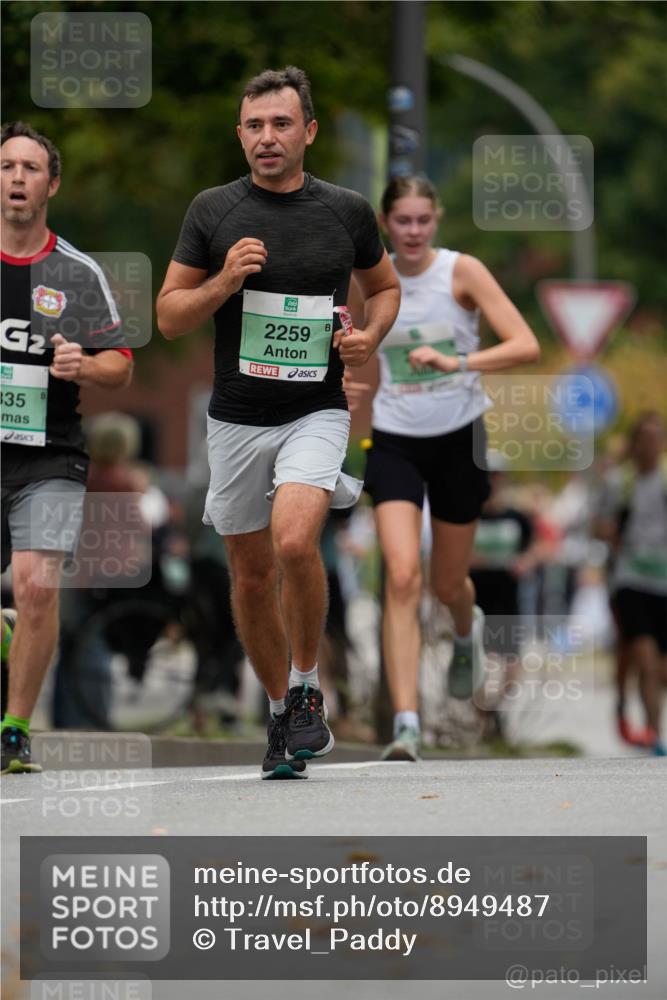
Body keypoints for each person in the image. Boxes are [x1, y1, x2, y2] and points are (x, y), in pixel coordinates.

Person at [156, 67, 399, 779]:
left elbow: (382, 289)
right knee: (250, 573)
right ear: (240, 134)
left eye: (281, 124)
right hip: (234, 420)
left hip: (316, 409)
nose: (267, 137)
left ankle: (305, 688)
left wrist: (369, 338)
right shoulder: (212, 212)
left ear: (308, 132)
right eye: (255, 126)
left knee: (296, 541)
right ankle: (277, 712)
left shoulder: (347, 211)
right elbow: (169, 318)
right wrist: (224, 281)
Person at [352, 175, 539, 762]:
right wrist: (347, 384)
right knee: (402, 577)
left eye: (422, 221)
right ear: (385, 223)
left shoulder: (461, 272)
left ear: (436, 221)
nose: (412, 231)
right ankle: (406, 722)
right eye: (402, 221)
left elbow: (525, 344)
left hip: (460, 437)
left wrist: (457, 360)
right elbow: (357, 350)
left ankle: (466, 628)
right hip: (394, 439)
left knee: (446, 583)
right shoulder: (371, 278)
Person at [1, 121, 133, 774]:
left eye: (30, 168)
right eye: (6, 166)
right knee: (21, 604)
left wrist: (85, 364)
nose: (17, 177)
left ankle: (15, 730)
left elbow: (122, 365)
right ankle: (8, 635)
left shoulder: (74, 271)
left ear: (51, 184)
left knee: (37, 584)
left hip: (50, 455)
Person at [596, 411, 667, 756]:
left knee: (660, 667)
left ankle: (641, 713)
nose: (651, 446)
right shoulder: (618, 483)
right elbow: (596, 525)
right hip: (630, 580)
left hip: (664, 581)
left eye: (657, 438)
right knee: (645, 657)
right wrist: (608, 531)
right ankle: (654, 733)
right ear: (635, 444)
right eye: (645, 439)